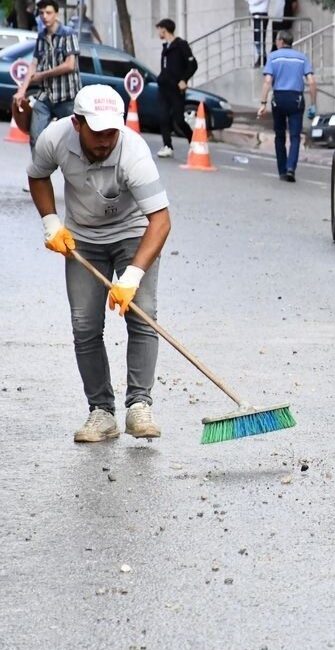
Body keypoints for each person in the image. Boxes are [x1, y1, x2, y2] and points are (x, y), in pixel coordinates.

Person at [26, 85, 172, 443]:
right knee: (84, 325)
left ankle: (139, 405)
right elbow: (38, 174)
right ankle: (102, 412)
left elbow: (161, 220)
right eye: (98, 133)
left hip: (133, 232)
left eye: (112, 132)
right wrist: (51, 223)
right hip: (83, 240)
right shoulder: (54, 138)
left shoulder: (133, 151)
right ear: (77, 124)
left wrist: (132, 277)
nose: (107, 141)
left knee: (143, 313)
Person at [14, 0, 81, 149]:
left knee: (74, 141)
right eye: (42, 13)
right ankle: (40, 172)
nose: (45, 16)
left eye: (48, 13)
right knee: (36, 137)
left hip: (67, 98)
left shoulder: (67, 34)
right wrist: (21, 91)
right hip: (46, 96)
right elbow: (33, 64)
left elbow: (70, 65)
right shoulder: (41, 36)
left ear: (56, 14)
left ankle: (72, 171)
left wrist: (42, 75)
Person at [256, 30, 316, 182]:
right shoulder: (302, 58)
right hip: (296, 98)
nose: (276, 43)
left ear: (281, 41)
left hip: (279, 98)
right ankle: (291, 168)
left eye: (276, 40)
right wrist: (313, 104)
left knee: (280, 135)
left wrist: (263, 103)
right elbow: (311, 81)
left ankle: (282, 169)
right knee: (295, 136)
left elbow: (268, 81)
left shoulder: (273, 57)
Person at [154, 18, 197, 159]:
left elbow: (193, 64)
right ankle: (167, 146)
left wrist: (184, 79)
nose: (158, 32)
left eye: (159, 29)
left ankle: (193, 141)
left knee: (179, 119)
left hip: (176, 89)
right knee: (163, 117)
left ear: (164, 29)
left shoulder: (181, 45)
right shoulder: (165, 47)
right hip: (164, 88)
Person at [248, 0, 270, 67]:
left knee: (259, 38)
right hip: (255, 14)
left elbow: (254, 2)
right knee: (257, 38)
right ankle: (262, 57)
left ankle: (262, 57)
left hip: (261, 14)